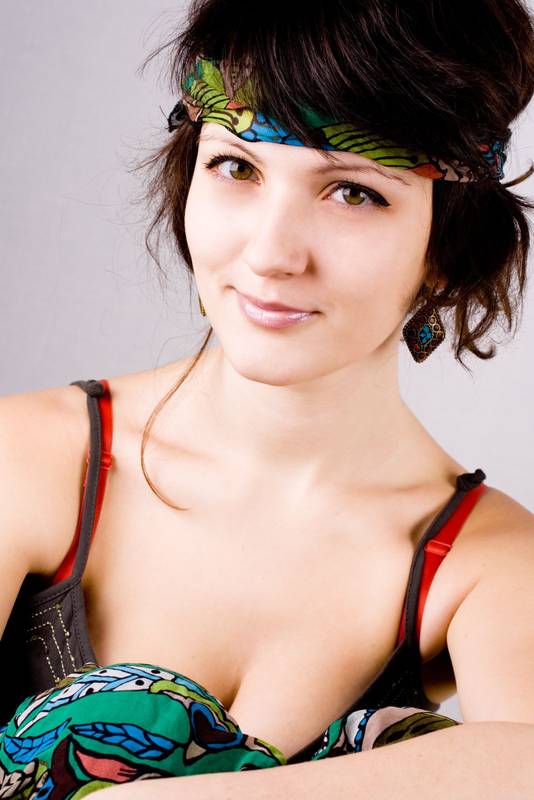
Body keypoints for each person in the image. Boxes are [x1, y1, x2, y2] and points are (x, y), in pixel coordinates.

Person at [1, 0, 534, 797]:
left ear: (447, 248)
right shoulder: (32, 457)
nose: (271, 254)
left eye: (354, 192)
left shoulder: (486, 561)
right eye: (237, 168)